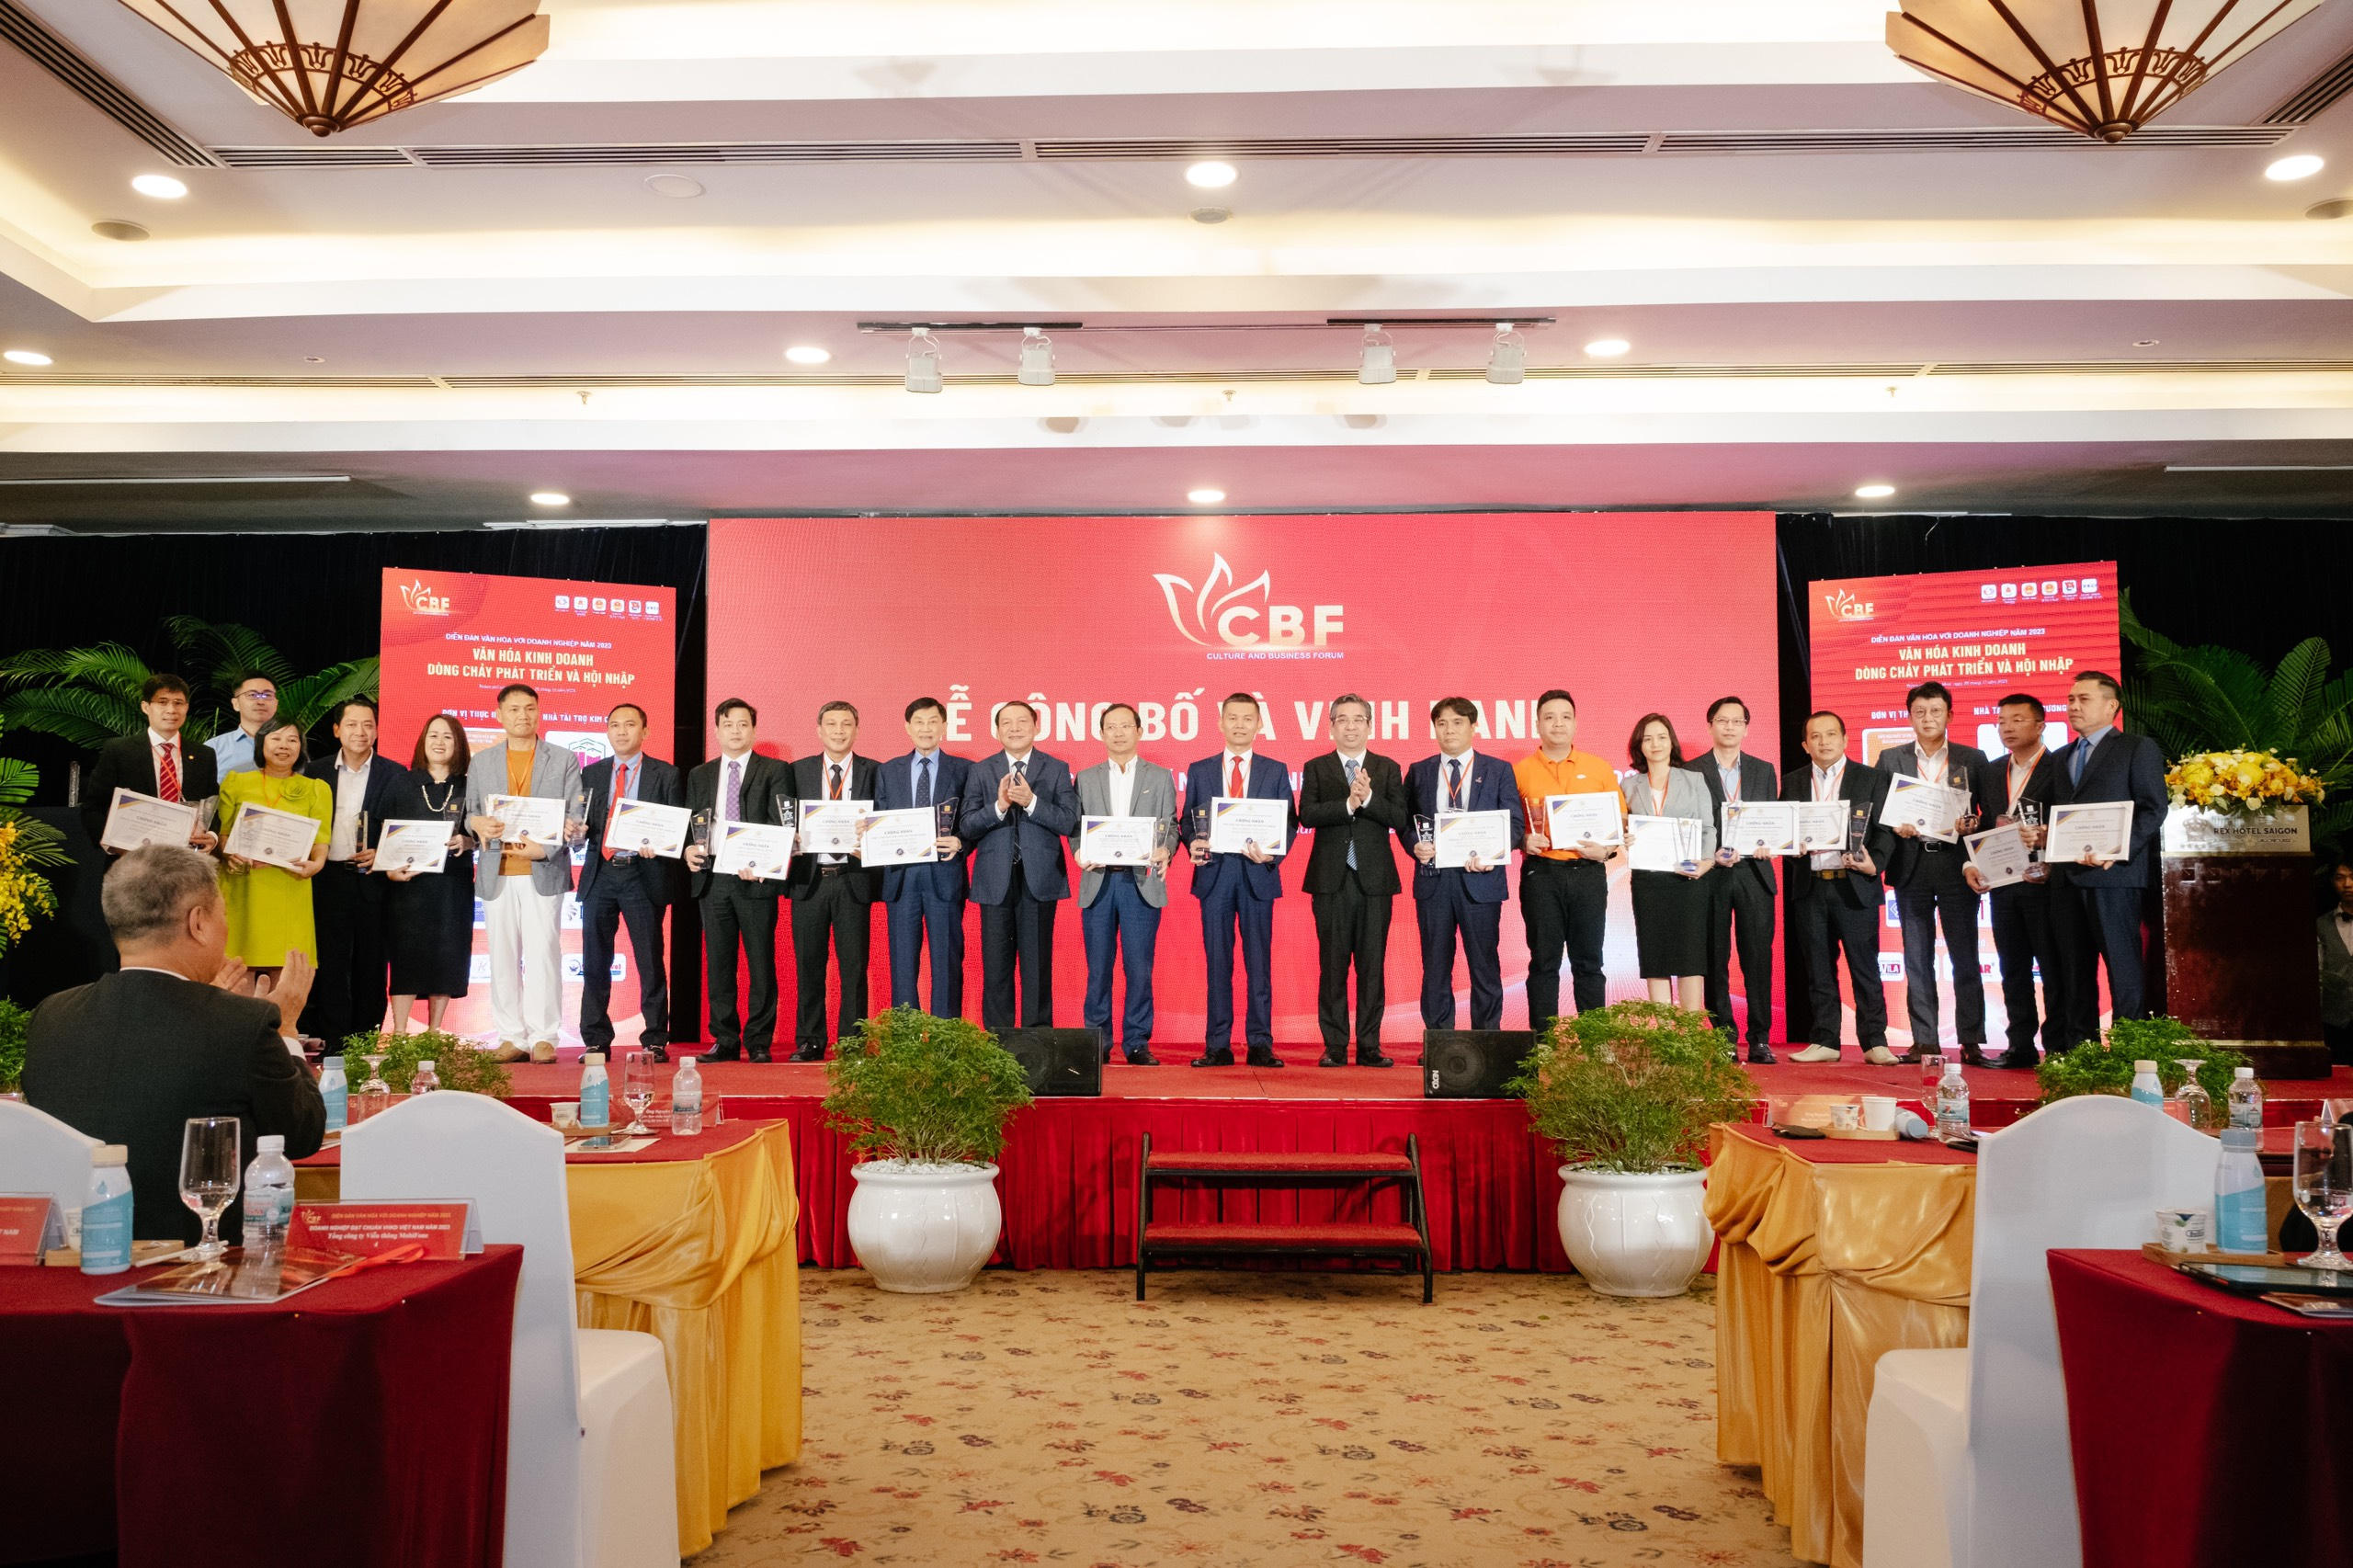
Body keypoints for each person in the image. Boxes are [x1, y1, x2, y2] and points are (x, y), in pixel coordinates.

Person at [24, 846, 324, 1244]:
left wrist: (210, 1003)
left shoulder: (52, 1016)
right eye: (224, 916)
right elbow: (302, 1134)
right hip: (200, 1262)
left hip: (77, 1256)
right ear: (198, 923)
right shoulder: (240, 1023)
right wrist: (286, 1027)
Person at [1876, 680, 1992, 1065]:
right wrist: (1896, 826)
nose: (1928, 718)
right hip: (1911, 863)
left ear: (1949, 716)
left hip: (1957, 864)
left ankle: (1971, 1039)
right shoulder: (1890, 759)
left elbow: (1986, 813)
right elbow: (1880, 811)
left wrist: (1972, 824)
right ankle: (1924, 1040)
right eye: (1920, 712)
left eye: (1936, 711)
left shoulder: (1972, 758)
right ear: (1910, 717)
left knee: (1965, 953)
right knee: (1916, 957)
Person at [464, 683, 581, 1064]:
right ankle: (512, 1036)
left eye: (529, 708)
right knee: (502, 955)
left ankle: (544, 1035)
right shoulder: (482, 762)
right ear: (499, 715)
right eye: (514, 709)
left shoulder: (563, 759)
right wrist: (476, 823)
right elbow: (469, 814)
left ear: (538, 711)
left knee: (543, 953)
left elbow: (575, 815)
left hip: (542, 868)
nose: (522, 716)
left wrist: (545, 849)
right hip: (496, 870)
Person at [2049, 670, 2169, 1031]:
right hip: (2067, 878)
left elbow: (2153, 809)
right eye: (2071, 699)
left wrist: (2117, 850)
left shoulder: (2136, 748)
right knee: (2074, 972)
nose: (2073, 706)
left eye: (2083, 699)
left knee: (2122, 966)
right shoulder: (2061, 756)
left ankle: (2129, 1048)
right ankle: (2080, 1050)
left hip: (2114, 876)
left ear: (2111, 705)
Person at [1179, 693, 1294, 1068]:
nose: (1240, 724)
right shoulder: (1200, 769)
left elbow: (1289, 823)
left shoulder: (1275, 770)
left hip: (1258, 874)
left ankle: (1260, 1043)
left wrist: (1273, 854)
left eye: (1248, 718)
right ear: (1220, 723)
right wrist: (1192, 841)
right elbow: (1186, 821)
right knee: (1218, 963)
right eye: (1233, 717)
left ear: (1260, 724)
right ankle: (1218, 1045)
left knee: (1259, 963)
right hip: (1214, 874)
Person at [1297, 694, 1410, 1067]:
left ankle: (1369, 1045)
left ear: (1369, 725)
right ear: (1331, 726)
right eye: (1342, 719)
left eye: (1357, 719)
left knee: (1372, 966)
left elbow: (1399, 818)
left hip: (1375, 881)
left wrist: (1370, 798)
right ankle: (1334, 1045)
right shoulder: (1316, 767)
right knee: (1332, 966)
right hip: (1330, 880)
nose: (1350, 726)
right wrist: (1348, 805)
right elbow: (1307, 814)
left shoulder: (1387, 768)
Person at [1782, 710, 1899, 1065]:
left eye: (1831, 734)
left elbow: (1885, 830)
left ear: (1845, 739)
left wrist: (1875, 863)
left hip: (1855, 885)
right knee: (1818, 968)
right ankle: (1825, 1040)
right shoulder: (1793, 782)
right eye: (1815, 736)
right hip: (1811, 887)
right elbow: (1784, 831)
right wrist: (1790, 847)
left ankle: (1875, 1041)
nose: (1824, 742)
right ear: (1805, 745)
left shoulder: (1870, 778)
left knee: (1865, 967)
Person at [1405, 697, 1527, 1033]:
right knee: (1435, 966)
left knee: (1484, 965)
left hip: (1481, 882)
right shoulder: (1419, 771)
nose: (1449, 730)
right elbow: (1404, 821)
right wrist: (1414, 845)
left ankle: (1486, 1040)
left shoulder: (1498, 770)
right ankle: (1439, 1042)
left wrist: (1493, 854)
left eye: (1457, 722)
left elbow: (1515, 824)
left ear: (1474, 727)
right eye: (1441, 724)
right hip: (1434, 881)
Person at [959, 699, 1078, 1034]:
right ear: (996, 731)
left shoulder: (1056, 768)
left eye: (1022, 721)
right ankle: (998, 1040)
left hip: (1040, 879)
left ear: (1036, 726)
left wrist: (1032, 802)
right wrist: (999, 806)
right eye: (1006, 723)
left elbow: (1069, 821)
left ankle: (1037, 1039)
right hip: (994, 879)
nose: (1014, 728)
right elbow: (967, 825)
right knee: (996, 966)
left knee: (1036, 966)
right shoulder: (981, 770)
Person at [577, 703, 687, 1062]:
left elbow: (677, 827)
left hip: (643, 873)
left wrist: (662, 845)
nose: (621, 731)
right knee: (595, 960)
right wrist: (576, 830)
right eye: (614, 725)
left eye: (629, 725)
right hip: (601, 873)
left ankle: (654, 1038)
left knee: (649, 960)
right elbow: (585, 823)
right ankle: (596, 1039)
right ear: (607, 731)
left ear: (645, 731)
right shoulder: (592, 773)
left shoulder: (665, 774)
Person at [1511, 688, 1622, 1036]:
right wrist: (1522, 840)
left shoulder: (1599, 768)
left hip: (1588, 874)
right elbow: (1509, 825)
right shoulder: (1520, 772)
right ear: (1537, 724)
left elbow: (1617, 827)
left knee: (1589, 961)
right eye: (1549, 717)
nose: (1557, 724)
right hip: (1542, 874)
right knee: (1543, 962)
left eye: (1565, 717)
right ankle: (1542, 1044)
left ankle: (1595, 1042)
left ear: (1575, 723)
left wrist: (1606, 851)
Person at [1965, 693, 2067, 1066]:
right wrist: (1970, 863)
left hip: (2046, 883)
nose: (2007, 728)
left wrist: (2051, 853)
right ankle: (2020, 1046)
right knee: (2012, 967)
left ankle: (2058, 1047)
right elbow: (1980, 823)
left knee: (2053, 968)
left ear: (2040, 726)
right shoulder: (1991, 771)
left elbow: (2070, 820)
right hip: (2003, 883)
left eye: (2017, 720)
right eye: (2002, 721)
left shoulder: (2060, 767)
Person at [683, 699, 788, 1062]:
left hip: (755, 879)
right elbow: (691, 822)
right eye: (728, 725)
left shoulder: (774, 770)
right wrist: (687, 849)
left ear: (754, 730)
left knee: (760, 962)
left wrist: (763, 861)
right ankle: (725, 1039)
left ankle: (758, 1040)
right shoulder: (700, 774)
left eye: (743, 724)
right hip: (713, 879)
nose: (736, 731)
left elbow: (781, 823)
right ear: (716, 730)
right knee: (719, 964)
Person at [1073, 702, 1176, 1064]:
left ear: (1139, 731)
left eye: (1125, 726)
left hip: (1140, 883)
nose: (1118, 733)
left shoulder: (1160, 777)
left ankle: (1136, 1041)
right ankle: (1097, 1042)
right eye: (1111, 727)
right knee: (1098, 968)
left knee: (1139, 968)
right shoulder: (1085, 778)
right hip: (1098, 881)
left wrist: (1166, 849)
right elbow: (1076, 828)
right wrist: (1078, 852)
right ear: (1101, 734)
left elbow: (1171, 825)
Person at [301, 697, 405, 1048]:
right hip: (326, 878)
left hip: (374, 878)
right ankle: (333, 1041)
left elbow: (403, 826)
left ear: (376, 730)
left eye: (367, 725)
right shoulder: (315, 771)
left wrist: (385, 852)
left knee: (371, 963)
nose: (360, 732)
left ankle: (365, 1041)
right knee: (330, 962)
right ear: (336, 730)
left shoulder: (395, 774)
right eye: (351, 724)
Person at [784, 700, 883, 1061]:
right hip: (809, 880)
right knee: (809, 966)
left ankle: (852, 1043)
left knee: (853, 968)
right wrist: (789, 839)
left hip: (852, 879)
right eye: (831, 724)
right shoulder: (797, 771)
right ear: (819, 730)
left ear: (856, 730)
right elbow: (783, 818)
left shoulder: (876, 771)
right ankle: (810, 1040)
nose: (839, 731)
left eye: (846, 724)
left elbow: (886, 821)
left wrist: (871, 838)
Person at [1683, 696, 1779, 1063]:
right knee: (1714, 958)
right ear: (1710, 726)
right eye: (1722, 721)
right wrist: (1712, 853)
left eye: (1737, 721)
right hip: (1712, 875)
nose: (1729, 727)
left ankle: (1760, 1038)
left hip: (1755, 873)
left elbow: (1772, 819)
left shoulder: (1763, 770)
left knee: (1758, 958)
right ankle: (1723, 1035)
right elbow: (1690, 825)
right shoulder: (1692, 771)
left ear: (1746, 728)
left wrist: (1770, 843)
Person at [875, 697, 972, 1019]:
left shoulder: (964, 770)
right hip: (902, 877)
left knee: (947, 960)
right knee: (902, 961)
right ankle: (907, 1034)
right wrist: (869, 831)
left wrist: (962, 841)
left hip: (945, 874)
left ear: (944, 726)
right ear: (908, 727)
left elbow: (972, 819)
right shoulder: (888, 771)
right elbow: (880, 818)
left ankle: (947, 1033)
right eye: (919, 722)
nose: (926, 728)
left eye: (933, 721)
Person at [381, 713, 475, 1034]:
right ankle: (399, 1032)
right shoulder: (402, 781)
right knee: (406, 956)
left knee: (447, 956)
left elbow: (481, 832)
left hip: (452, 887)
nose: (439, 742)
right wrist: (390, 871)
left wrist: (468, 841)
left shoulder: (469, 785)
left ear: (458, 744)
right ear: (423, 741)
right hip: (408, 887)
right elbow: (383, 831)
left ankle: (434, 1032)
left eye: (448, 736)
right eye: (433, 735)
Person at [217, 717, 331, 976]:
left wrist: (317, 864)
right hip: (243, 886)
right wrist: (228, 852)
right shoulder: (236, 782)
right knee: (237, 972)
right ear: (261, 744)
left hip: (289, 885)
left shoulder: (316, 789)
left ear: (301, 747)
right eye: (276, 738)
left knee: (287, 973)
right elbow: (224, 833)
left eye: (292, 740)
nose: (284, 746)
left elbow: (321, 840)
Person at [1623, 713, 1715, 1013]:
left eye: (1662, 737)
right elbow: (1621, 829)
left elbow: (1708, 828)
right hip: (1648, 882)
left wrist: (1707, 862)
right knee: (1655, 957)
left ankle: (1692, 1029)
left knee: (1690, 957)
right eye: (1648, 738)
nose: (1656, 744)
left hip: (1687, 879)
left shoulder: (1693, 779)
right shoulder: (1629, 786)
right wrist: (1624, 838)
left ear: (1671, 741)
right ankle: (1664, 1032)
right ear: (1639, 746)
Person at [81, 673, 220, 855]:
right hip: (132, 859)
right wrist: (113, 845)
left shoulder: (204, 755)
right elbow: (93, 807)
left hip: (186, 859)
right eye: (162, 702)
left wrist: (212, 836)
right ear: (146, 707)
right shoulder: (120, 751)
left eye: (178, 703)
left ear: (186, 707)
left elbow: (212, 807)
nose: (171, 710)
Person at [205, 671, 278, 779]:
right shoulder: (213, 748)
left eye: (267, 695)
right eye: (252, 695)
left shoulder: (293, 746)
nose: (260, 701)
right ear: (236, 704)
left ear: (276, 704)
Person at [2318, 859, 2353, 1066]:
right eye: (2340, 878)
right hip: (2335, 1021)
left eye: (2352, 877)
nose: (2347, 884)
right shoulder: (2321, 925)